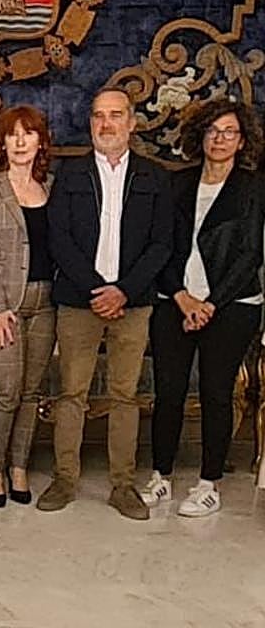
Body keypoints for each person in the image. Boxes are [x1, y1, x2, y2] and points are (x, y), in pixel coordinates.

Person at [40, 87, 172, 520]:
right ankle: (64, 479)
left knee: (124, 395)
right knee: (71, 393)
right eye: (99, 115)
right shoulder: (70, 174)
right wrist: (96, 289)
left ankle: (123, 485)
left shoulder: (155, 177)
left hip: (133, 303)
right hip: (79, 302)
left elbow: (162, 243)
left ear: (132, 123)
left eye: (115, 115)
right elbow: (59, 238)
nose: (106, 123)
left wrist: (124, 291)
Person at [140, 99, 264, 517]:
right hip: (175, 301)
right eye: (212, 130)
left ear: (242, 140)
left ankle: (209, 484)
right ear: (200, 136)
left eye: (229, 132)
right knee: (168, 392)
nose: (220, 139)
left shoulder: (252, 188)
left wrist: (209, 304)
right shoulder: (177, 184)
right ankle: (160, 477)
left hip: (232, 305)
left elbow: (250, 254)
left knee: (216, 392)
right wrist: (181, 297)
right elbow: (160, 246)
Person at [0, 105, 56, 508]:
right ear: (1, 142)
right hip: (2, 306)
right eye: (12, 134)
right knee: (4, 390)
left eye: (29, 133)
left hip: (45, 303)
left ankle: (18, 466)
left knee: (31, 392)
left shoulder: (51, 187)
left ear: (40, 141)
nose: (20, 141)